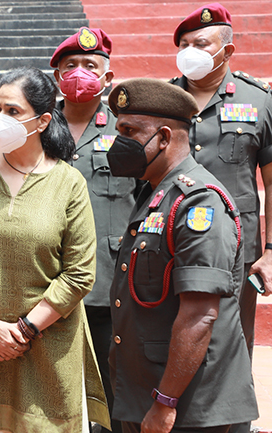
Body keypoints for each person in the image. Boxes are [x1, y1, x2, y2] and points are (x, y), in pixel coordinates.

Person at [0, 66, 111, 433]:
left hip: (48, 346)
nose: (0, 119)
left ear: (43, 120)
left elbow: (79, 272)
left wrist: (22, 331)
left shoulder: (69, 183)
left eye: (12, 111)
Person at [106, 77, 258, 432]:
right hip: (149, 392)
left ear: (163, 137)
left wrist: (165, 402)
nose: (119, 142)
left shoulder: (199, 203)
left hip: (190, 408)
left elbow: (200, 315)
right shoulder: (157, 193)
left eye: (129, 131)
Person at [170, 1, 272, 360]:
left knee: (233, 344)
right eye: (183, 45)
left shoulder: (258, 101)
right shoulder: (163, 101)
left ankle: (235, 419)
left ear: (227, 51)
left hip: (236, 247)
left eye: (200, 44)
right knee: (171, 339)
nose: (188, 52)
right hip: (171, 242)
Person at [50, 27, 136, 433]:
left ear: (107, 78)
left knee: (112, 387)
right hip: (49, 280)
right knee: (53, 390)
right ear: (56, 79)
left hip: (110, 280)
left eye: (90, 66)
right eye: (70, 66)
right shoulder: (40, 130)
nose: (79, 73)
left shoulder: (127, 129)